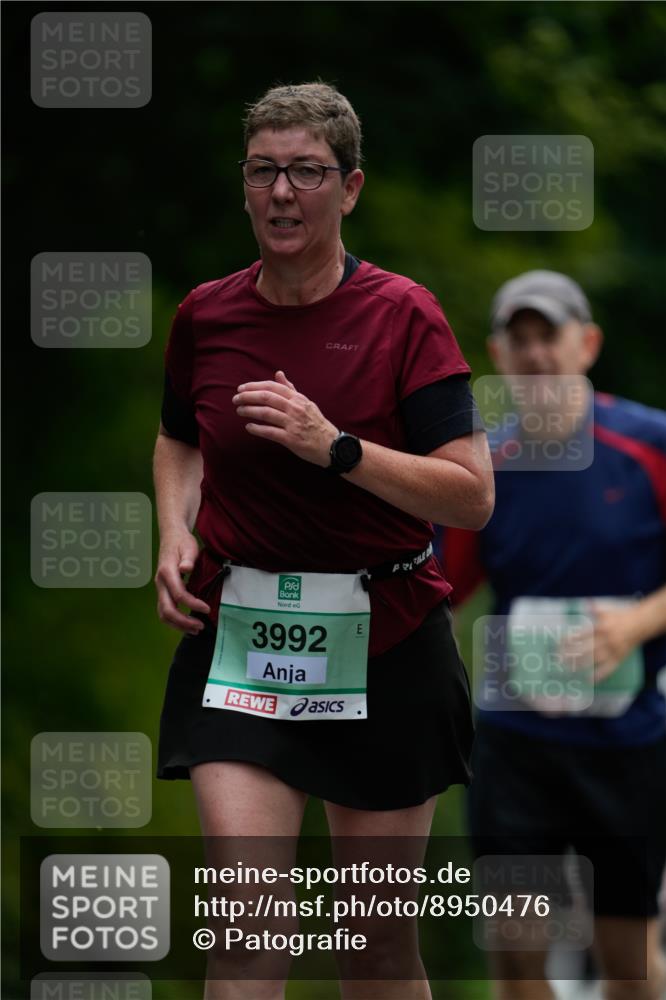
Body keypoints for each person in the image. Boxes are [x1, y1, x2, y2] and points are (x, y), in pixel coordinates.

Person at [153, 82, 494, 1000]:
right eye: (263, 171)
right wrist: (171, 533)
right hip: (243, 638)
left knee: (373, 949)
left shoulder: (403, 315)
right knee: (248, 933)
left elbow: (469, 497)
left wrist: (334, 448)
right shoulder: (207, 315)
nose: (281, 193)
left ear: (349, 188)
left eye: (306, 172)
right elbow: (179, 436)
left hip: (385, 640)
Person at [441, 270, 666, 1000]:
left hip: (624, 742)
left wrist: (634, 623)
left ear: (587, 343)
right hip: (515, 746)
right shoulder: (486, 469)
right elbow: (437, 595)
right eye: (520, 339)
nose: (535, 354)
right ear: (497, 354)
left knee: (625, 960)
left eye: (550, 336)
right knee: (514, 957)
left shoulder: (649, 445)